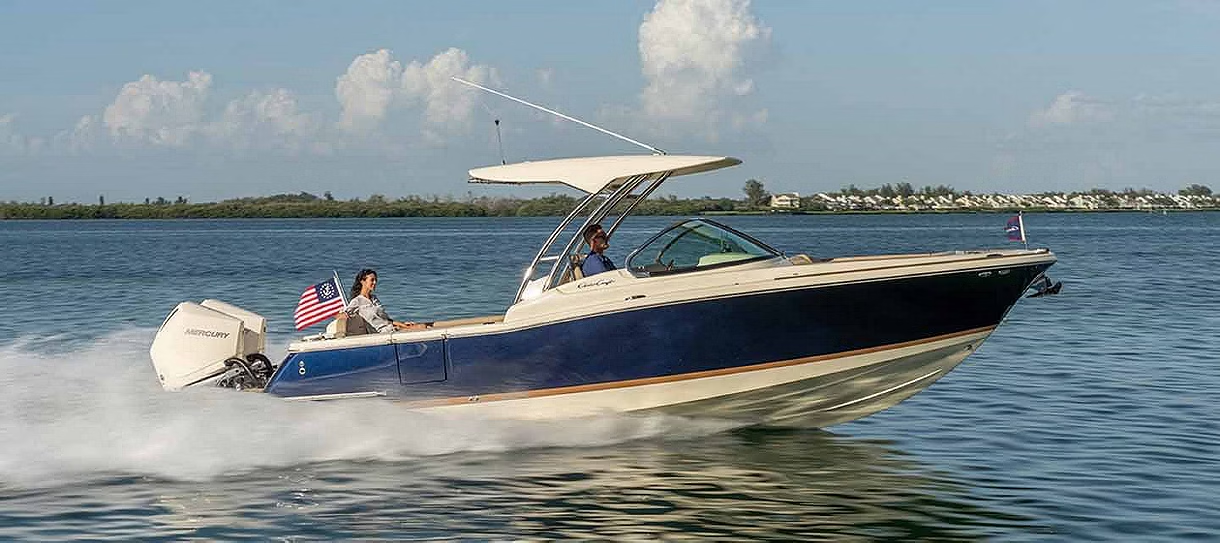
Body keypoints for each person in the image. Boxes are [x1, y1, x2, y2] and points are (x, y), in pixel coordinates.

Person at [342, 268, 427, 333]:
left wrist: (404, 325)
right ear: (363, 282)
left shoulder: (374, 299)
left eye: (376, 280)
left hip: (391, 328)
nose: (375, 282)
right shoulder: (357, 301)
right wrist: (342, 315)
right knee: (422, 327)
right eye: (372, 280)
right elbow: (343, 314)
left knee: (424, 326)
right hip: (382, 333)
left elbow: (387, 320)